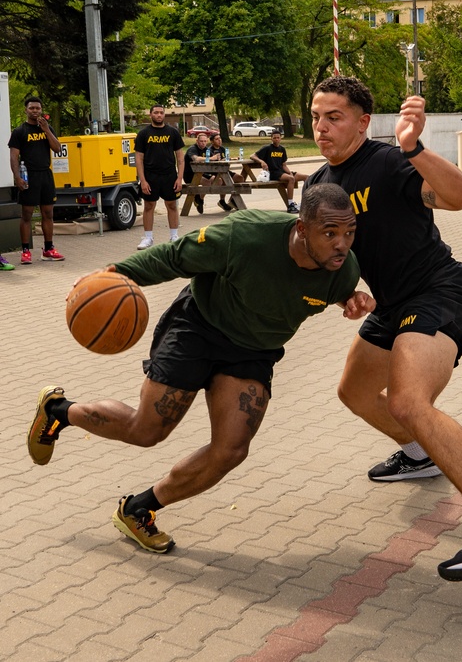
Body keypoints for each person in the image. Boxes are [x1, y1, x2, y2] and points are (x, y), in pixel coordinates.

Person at [27, 183, 373, 554]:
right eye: (331, 233)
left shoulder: (342, 268)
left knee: (231, 450)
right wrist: (113, 271)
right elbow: (175, 256)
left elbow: (320, 289)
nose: (342, 244)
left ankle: (139, 508)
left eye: (349, 232)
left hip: (254, 351)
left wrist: (349, 300)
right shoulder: (245, 234)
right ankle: (58, 412)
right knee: (146, 431)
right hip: (199, 328)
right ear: (302, 229)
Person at [305, 75, 462, 581]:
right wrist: (346, 291)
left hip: (438, 292)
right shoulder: (317, 185)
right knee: (355, 392)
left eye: (334, 117)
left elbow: (461, 197)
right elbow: (327, 254)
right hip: (389, 305)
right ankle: (418, 455)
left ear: (364, 122)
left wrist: (413, 148)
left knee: (408, 402)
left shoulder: (390, 163)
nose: (321, 128)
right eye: (316, 116)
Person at [7, 95, 65, 264]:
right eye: (31, 108)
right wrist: (17, 177)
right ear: (26, 110)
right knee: (27, 214)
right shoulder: (19, 132)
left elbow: (57, 148)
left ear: (41, 110)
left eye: (37, 108)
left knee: (48, 213)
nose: (34, 111)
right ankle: (25, 251)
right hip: (28, 175)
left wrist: (46, 130)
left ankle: (48, 249)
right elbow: (13, 157)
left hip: (45, 175)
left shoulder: (47, 128)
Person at [135, 105, 185, 250]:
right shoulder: (144, 134)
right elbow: (139, 158)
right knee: (149, 206)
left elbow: (180, 157)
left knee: (172, 205)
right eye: (156, 112)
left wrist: (179, 178)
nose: (159, 115)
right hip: (150, 176)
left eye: (161, 113)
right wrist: (143, 180)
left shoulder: (173, 133)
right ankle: (148, 238)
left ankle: (174, 236)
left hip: (170, 175)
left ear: (164, 115)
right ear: (150, 114)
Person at [251, 132, 307, 213]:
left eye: (278, 137)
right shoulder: (267, 148)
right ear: (271, 138)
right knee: (291, 179)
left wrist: (289, 172)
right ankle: (290, 205)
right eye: (274, 138)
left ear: (280, 138)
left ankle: (305, 202)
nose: (276, 139)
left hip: (282, 171)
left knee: (307, 177)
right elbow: (252, 156)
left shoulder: (282, 149)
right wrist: (261, 162)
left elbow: (284, 165)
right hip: (273, 173)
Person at [207, 133, 242, 211]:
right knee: (225, 180)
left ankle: (233, 199)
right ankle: (222, 200)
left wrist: (233, 159)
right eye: (217, 139)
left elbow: (226, 159)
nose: (219, 140)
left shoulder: (223, 149)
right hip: (216, 172)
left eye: (220, 138)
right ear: (212, 141)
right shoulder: (209, 150)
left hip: (225, 170)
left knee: (240, 178)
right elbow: (210, 162)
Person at [182, 132, 212, 214]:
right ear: (197, 141)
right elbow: (196, 159)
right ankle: (198, 199)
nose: (203, 143)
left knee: (218, 180)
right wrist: (211, 158)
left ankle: (199, 199)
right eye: (201, 141)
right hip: (190, 175)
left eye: (205, 141)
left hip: (201, 173)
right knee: (207, 182)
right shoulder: (192, 149)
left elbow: (214, 158)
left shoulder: (206, 150)